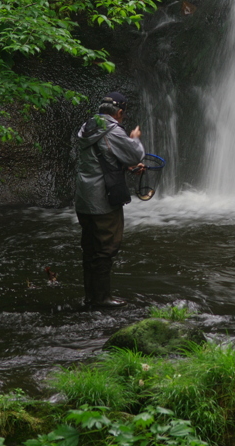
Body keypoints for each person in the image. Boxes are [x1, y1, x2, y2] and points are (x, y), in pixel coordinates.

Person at [73, 92, 144, 310]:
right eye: (123, 115)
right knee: (106, 248)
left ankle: (91, 297)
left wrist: (124, 167)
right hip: (103, 200)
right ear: (120, 112)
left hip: (84, 199)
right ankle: (102, 299)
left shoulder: (87, 126)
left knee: (90, 249)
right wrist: (134, 139)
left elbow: (101, 158)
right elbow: (135, 155)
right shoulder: (113, 130)